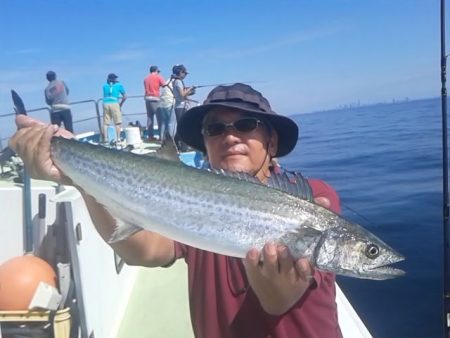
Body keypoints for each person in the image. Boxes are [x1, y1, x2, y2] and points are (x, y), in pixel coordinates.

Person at [9, 83, 342, 338]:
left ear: (271, 142)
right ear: (206, 144)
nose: (229, 136)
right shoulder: (189, 199)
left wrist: (278, 288)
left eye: (245, 124)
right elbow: (145, 251)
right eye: (215, 129)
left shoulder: (312, 200)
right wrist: (81, 179)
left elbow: (278, 302)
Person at [171, 64, 195, 150]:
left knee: (181, 125)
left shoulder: (175, 81)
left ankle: (176, 142)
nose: (185, 75)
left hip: (180, 106)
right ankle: (184, 146)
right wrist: (190, 89)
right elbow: (182, 95)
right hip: (180, 107)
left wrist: (189, 91)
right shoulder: (178, 82)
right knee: (183, 126)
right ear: (180, 72)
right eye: (184, 73)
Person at [102, 73, 127, 143]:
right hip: (114, 103)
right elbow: (125, 96)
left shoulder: (104, 86)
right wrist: (121, 104)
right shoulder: (119, 85)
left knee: (106, 123)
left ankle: (106, 139)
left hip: (105, 103)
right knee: (117, 123)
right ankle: (118, 139)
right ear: (115, 79)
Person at [143, 65, 165, 141]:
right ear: (156, 70)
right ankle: (161, 137)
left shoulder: (146, 79)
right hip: (155, 99)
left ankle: (150, 136)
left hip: (147, 99)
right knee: (160, 119)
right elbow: (164, 85)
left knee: (149, 118)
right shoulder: (158, 77)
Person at [158, 76, 175, 143]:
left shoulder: (167, 81)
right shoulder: (176, 81)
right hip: (170, 102)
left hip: (162, 103)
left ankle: (161, 139)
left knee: (164, 123)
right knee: (171, 123)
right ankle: (171, 140)